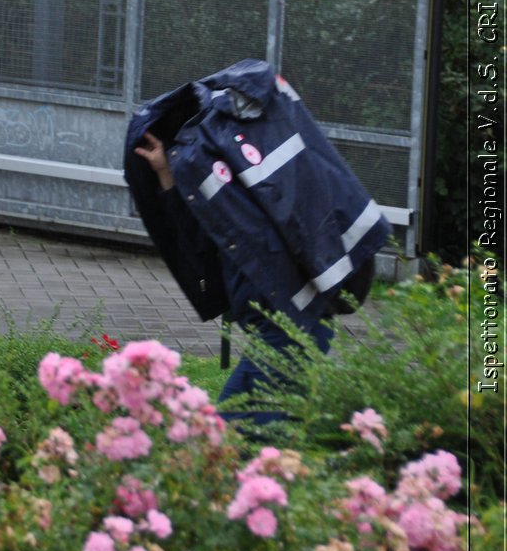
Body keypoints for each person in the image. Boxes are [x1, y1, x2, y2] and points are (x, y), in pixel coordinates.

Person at [124, 59, 388, 424]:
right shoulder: (227, 182)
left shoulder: (226, 174)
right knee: (240, 432)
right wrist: (167, 174)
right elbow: (202, 233)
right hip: (285, 322)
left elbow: (203, 234)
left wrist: (175, 172)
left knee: (235, 437)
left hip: (292, 321)